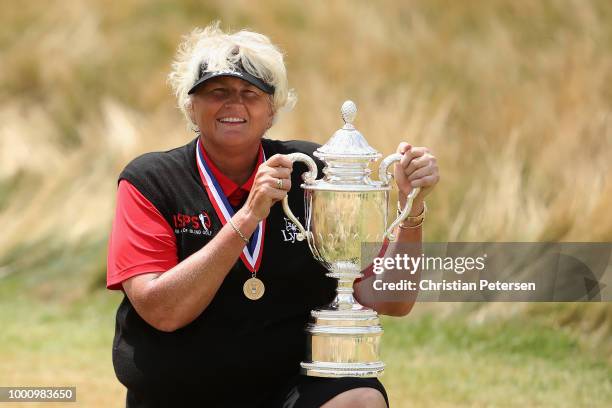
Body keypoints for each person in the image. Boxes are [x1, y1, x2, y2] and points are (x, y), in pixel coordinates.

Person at [106, 23, 439, 408]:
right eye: (217, 92)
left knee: (361, 400)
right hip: (178, 393)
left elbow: (391, 301)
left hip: (292, 390)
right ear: (190, 107)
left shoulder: (314, 173)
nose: (234, 104)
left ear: (272, 110)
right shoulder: (149, 181)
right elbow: (162, 311)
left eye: (251, 93)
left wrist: (411, 207)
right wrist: (248, 216)